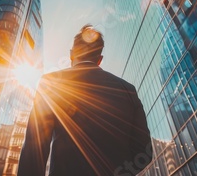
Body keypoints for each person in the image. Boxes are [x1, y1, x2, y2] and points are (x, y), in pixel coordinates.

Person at [18, 24, 152, 176]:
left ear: (71, 54)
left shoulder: (51, 83)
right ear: (100, 59)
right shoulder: (128, 90)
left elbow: (34, 148)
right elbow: (143, 151)